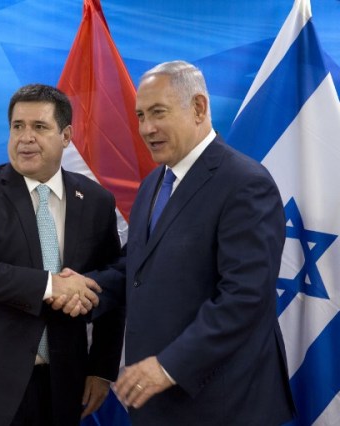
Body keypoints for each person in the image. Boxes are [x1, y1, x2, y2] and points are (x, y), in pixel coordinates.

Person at [89, 60, 295, 424]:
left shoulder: (245, 183)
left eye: (158, 113)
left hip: (225, 404)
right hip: (158, 402)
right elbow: (136, 267)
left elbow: (245, 296)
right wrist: (84, 289)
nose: (146, 128)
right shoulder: (154, 183)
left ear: (199, 107)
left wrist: (168, 366)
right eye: (140, 116)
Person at [0, 83, 125, 426]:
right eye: (17, 126)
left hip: (64, 383)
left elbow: (112, 284)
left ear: (66, 136)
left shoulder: (96, 201)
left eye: (39, 127)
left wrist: (101, 369)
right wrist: (51, 286)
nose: (25, 137)